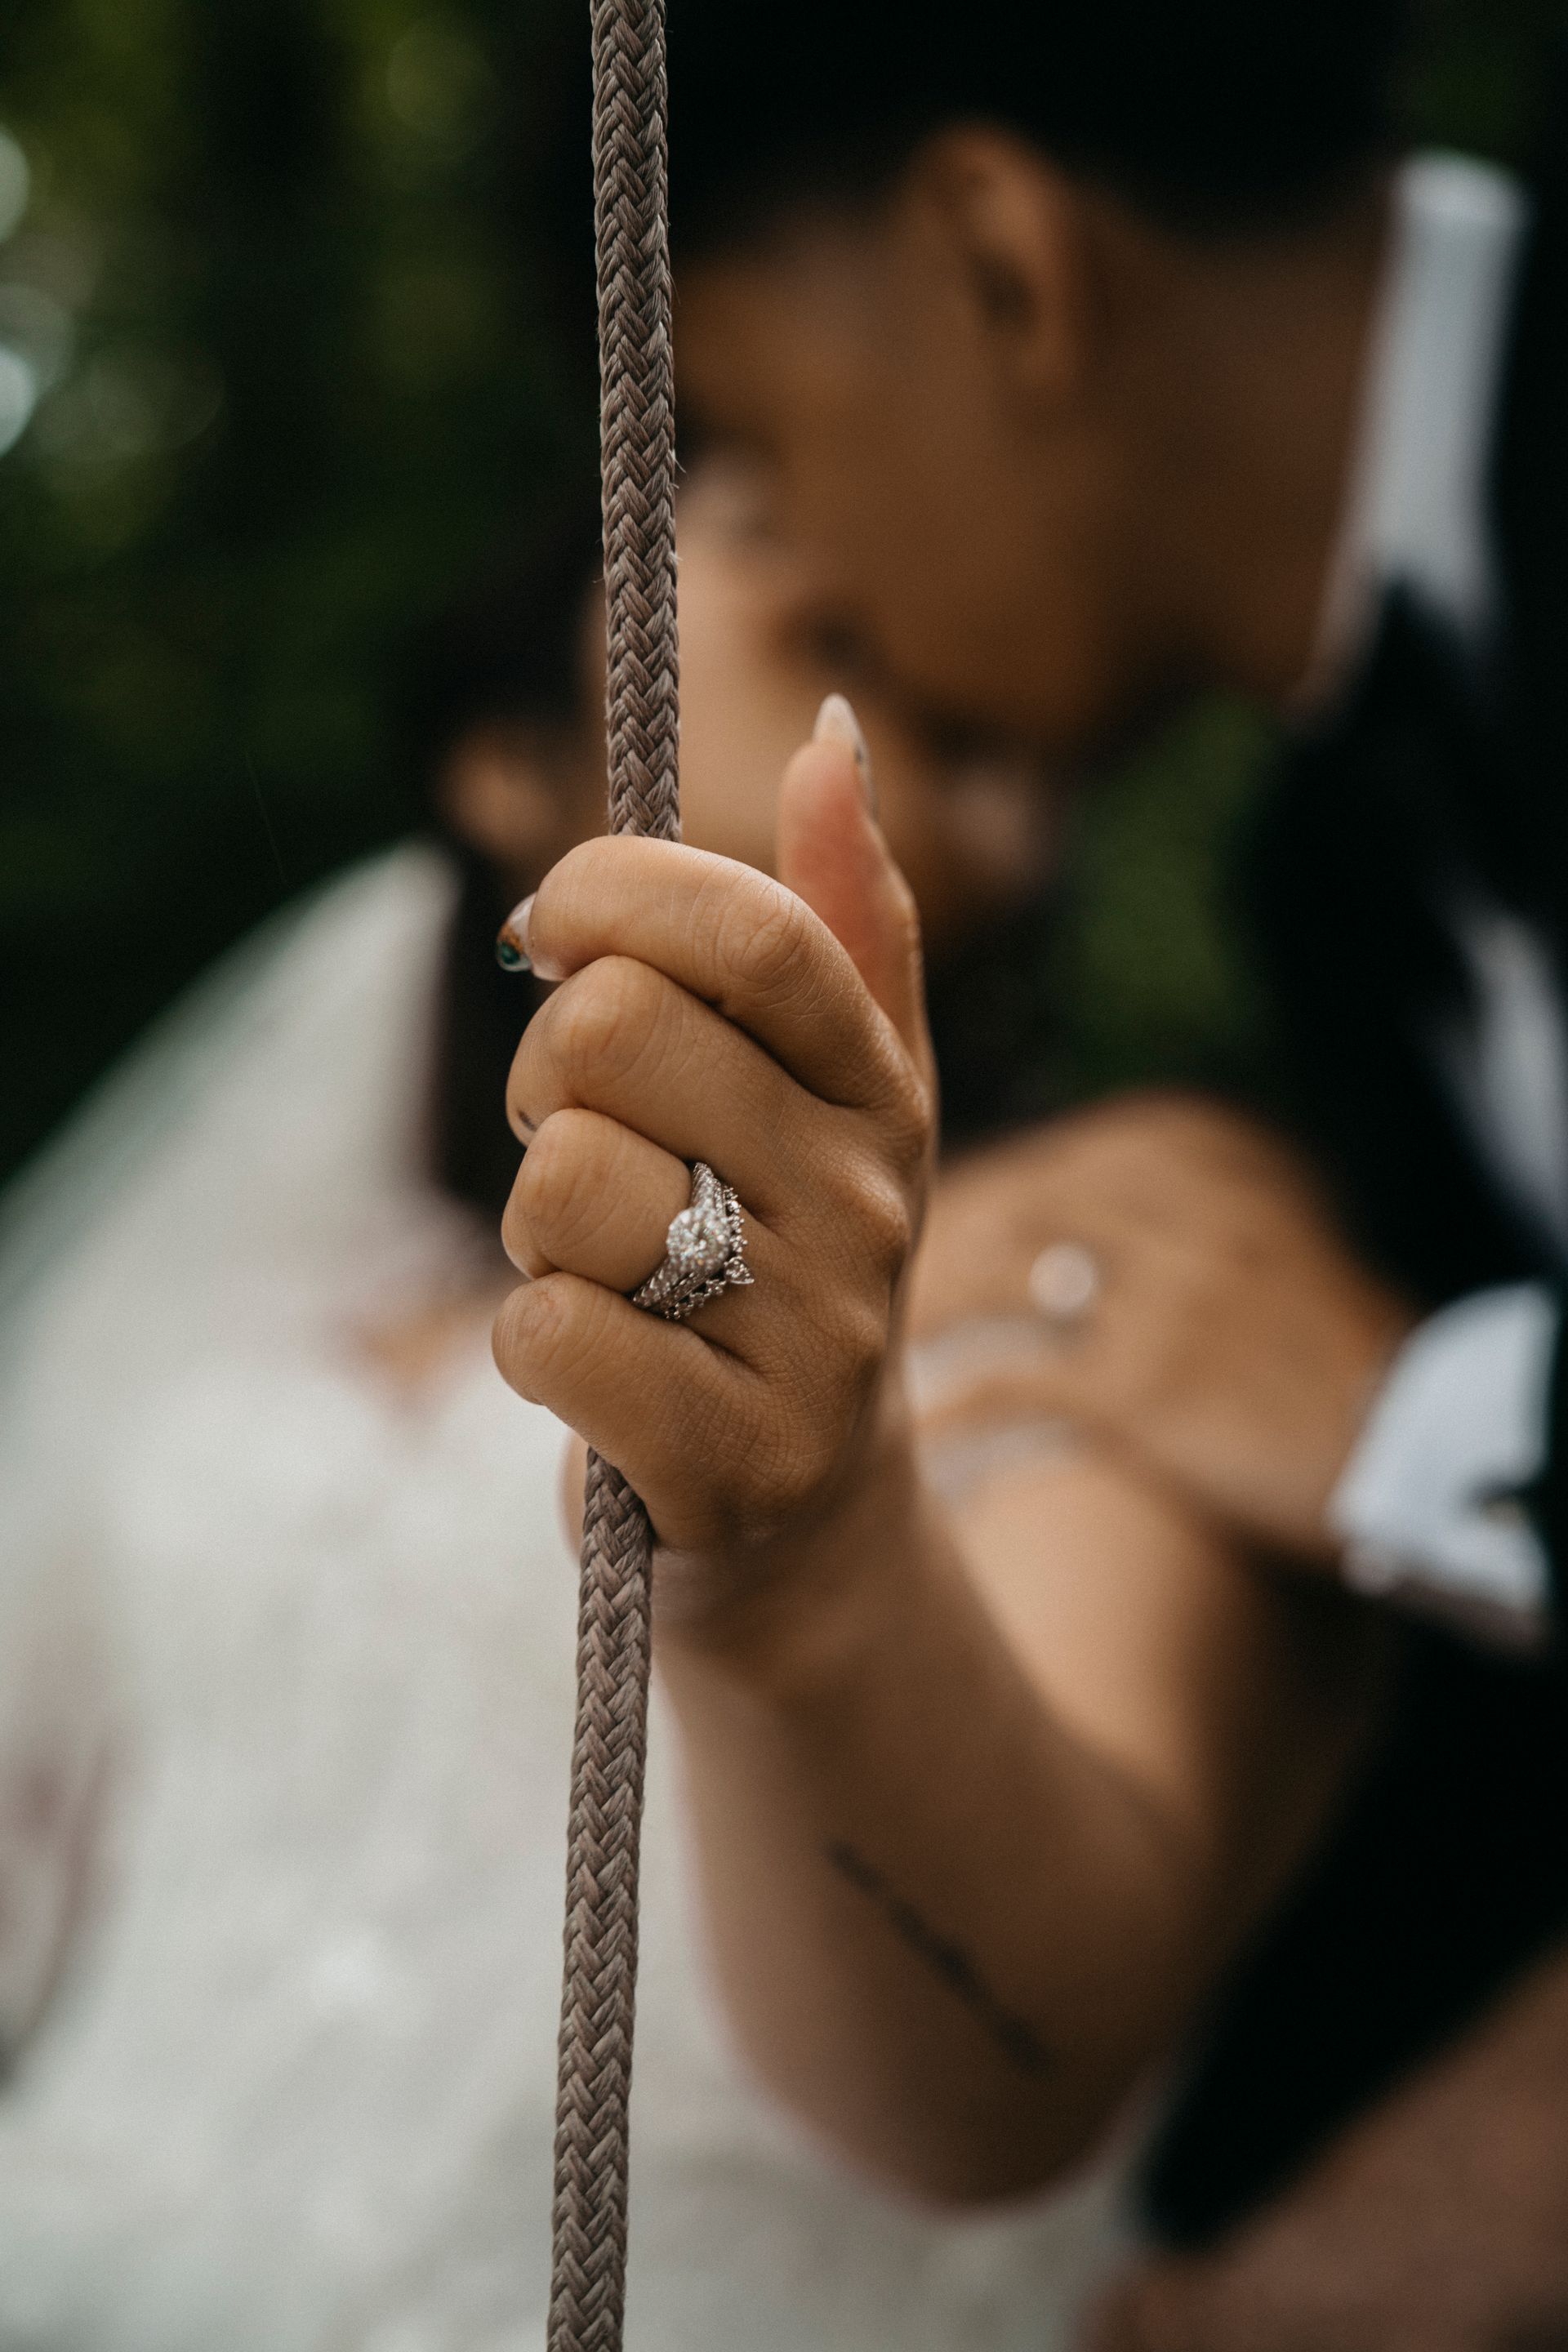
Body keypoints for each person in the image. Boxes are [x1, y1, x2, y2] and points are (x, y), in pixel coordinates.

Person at [485, 0, 1568, 2334]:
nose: (800, 555)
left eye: (757, 423)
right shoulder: (1339, 900)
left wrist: (1444, 1432)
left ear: (1001, 263)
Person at [0, 466, 1145, 2348]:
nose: (871, 560)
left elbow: (1006, 2065)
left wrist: (807, 1548)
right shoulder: (279, 1291)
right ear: (517, 763)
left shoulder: (1131, 1257)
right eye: (813, 607)